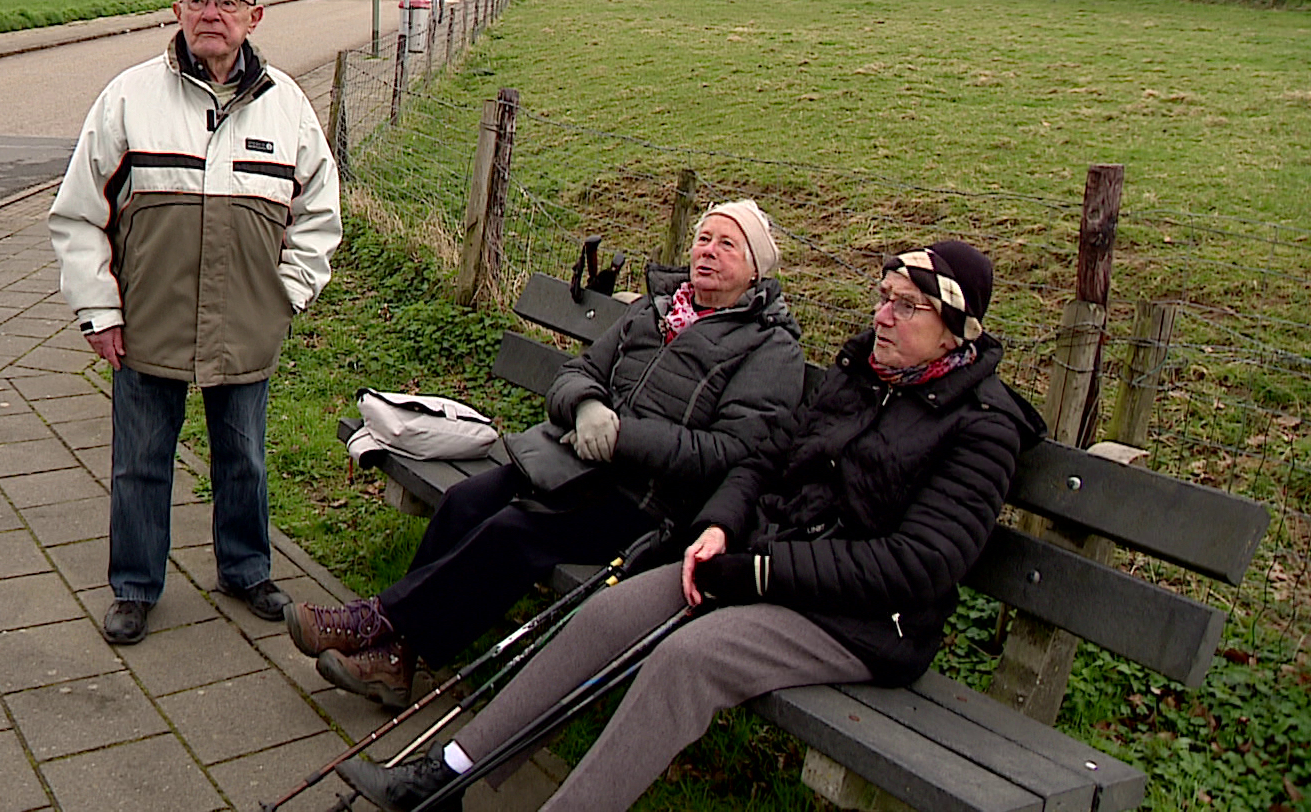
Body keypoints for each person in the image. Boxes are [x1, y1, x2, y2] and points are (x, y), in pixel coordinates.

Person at [336, 240, 1045, 812]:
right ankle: (448, 775)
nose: (882, 317)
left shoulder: (981, 428)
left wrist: (760, 571)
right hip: (760, 562)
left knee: (688, 660)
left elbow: (920, 565)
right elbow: (765, 461)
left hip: (857, 618)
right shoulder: (861, 377)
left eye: (906, 307)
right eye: (883, 298)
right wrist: (720, 528)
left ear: (956, 329)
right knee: (609, 613)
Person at [288, 200, 807, 708]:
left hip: (652, 506)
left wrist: (624, 436)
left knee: (513, 533)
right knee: (466, 502)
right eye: (703, 239)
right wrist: (585, 408)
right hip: (574, 462)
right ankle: (398, 656)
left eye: (727, 244)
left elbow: (732, 451)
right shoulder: (655, 311)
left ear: (757, 269)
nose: (708, 252)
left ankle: (375, 625)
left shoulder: (769, 348)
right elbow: (575, 374)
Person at [49, 0, 343, 646]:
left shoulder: (288, 109)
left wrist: (287, 297)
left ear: (255, 15)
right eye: (198, 0)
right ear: (175, 10)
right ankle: (134, 586)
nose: (212, 15)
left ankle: (246, 571)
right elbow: (79, 213)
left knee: (243, 457)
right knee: (140, 462)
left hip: (245, 323)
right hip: (147, 323)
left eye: (228, 3)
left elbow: (320, 215)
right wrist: (98, 309)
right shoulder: (127, 98)